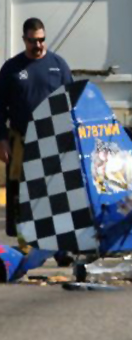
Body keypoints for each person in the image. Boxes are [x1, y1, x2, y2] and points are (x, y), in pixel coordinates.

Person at [0, 18, 73, 237]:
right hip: (21, 142)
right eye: (33, 41)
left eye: (41, 40)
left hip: (52, 140)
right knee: (20, 194)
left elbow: (72, 101)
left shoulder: (58, 66)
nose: (38, 45)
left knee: (55, 193)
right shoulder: (11, 69)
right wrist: (2, 139)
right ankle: (24, 242)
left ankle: (60, 245)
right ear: (24, 40)